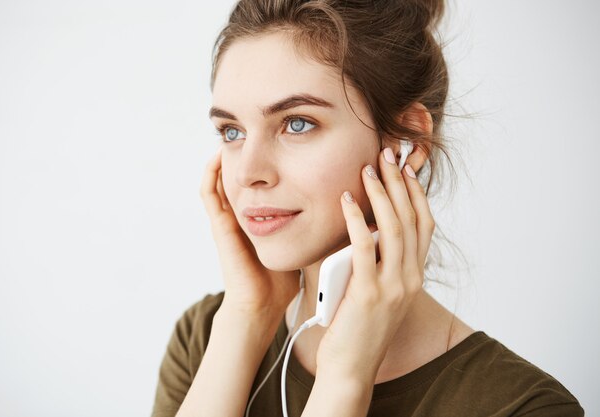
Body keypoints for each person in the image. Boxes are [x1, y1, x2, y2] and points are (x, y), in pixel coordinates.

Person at [151, 1, 583, 416]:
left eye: (296, 123)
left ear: (404, 141)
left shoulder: (521, 407)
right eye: (232, 131)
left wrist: (345, 378)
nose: (247, 173)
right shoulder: (207, 336)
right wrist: (247, 319)